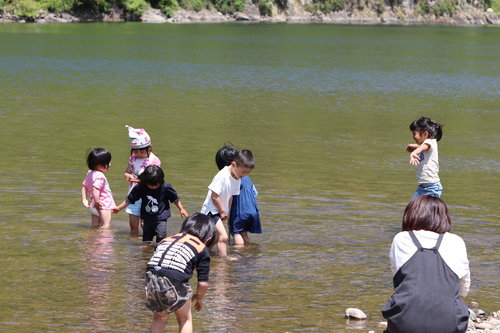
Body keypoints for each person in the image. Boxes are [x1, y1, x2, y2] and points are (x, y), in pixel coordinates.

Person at [382, 195, 470, 333]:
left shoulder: (401, 238)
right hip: (448, 324)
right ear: (444, 217)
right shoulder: (457, 241)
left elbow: (399, 280)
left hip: (404, 322)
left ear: (411, 216)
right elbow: (464, 287)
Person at [145, 213, 216, 333]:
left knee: (159, 318)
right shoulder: (201, 248)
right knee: (185, 319)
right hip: (173, 280)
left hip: (151, 280)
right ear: (208, 239)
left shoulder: (166, 240)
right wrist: (199, 297)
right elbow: (203, 283)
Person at [112, 165, 188, 244]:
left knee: (161, 239)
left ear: (161, 181)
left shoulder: (165, 187)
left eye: (156, 185)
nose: (153, 187)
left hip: (160, 218)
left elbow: (175, 199)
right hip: (147, 218)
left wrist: (181, 209)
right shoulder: (141, 187)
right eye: (150, 185)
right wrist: (119, 208)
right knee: (146, 240)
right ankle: (145, 254)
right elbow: (129, 199)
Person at [201, 149, 255, 257]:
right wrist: (222, 210)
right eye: (243, 172)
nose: (244, 175)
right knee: (224, 237)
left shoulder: (237, 178)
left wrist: (228, 211)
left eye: (248, 173)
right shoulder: (222, 175)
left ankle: (203, 254)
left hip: (219, 211)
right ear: (234, 164)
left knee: (216, 238)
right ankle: (223, 260)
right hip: (211, 210)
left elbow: (231, 197)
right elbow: (214, 195)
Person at [215, 144, 261, 246]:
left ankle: (239, 253)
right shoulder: (245, 175)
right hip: (253, 208)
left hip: (240, 210)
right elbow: (255, 192)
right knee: (243, 233)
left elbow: (228, 196)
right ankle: (248, 249)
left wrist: (224, 211)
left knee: (235, 232)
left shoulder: (233, 177)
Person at [123, 125, 161, 236]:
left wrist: (140, 180)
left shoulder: (154, 160)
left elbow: (156, 179)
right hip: (133, 193)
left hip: (148, 195)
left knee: (145, 223)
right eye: (135, 152)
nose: (138, 154)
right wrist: (127, 175)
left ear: (149, 147)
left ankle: (146, 244)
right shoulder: (133, 158)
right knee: (133, 224)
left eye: (141, 152)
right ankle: (134, 242)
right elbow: (127, 171)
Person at [406, 117, 444, 201]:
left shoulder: (429, 143)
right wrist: (412, 146)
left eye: (414, 134)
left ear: (425, 134)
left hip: (432, 188)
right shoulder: (426, 144)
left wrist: (414, 153)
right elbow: (422, 147)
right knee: (411, 208)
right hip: (422, 187)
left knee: (427, 212)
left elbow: (424, 147)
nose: (413, 137)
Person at [81, 148, 115, 229]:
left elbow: (84, 186)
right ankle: (105, 241)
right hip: (102, 206)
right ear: (99, 165)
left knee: (95, 226)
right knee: (106, 226)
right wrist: (97, 202)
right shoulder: (100, 176)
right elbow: (96, 189)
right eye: (107, 163)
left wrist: (84, 199)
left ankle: (93, 239)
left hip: (93, 206)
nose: (109, 164)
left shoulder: (89, 173)